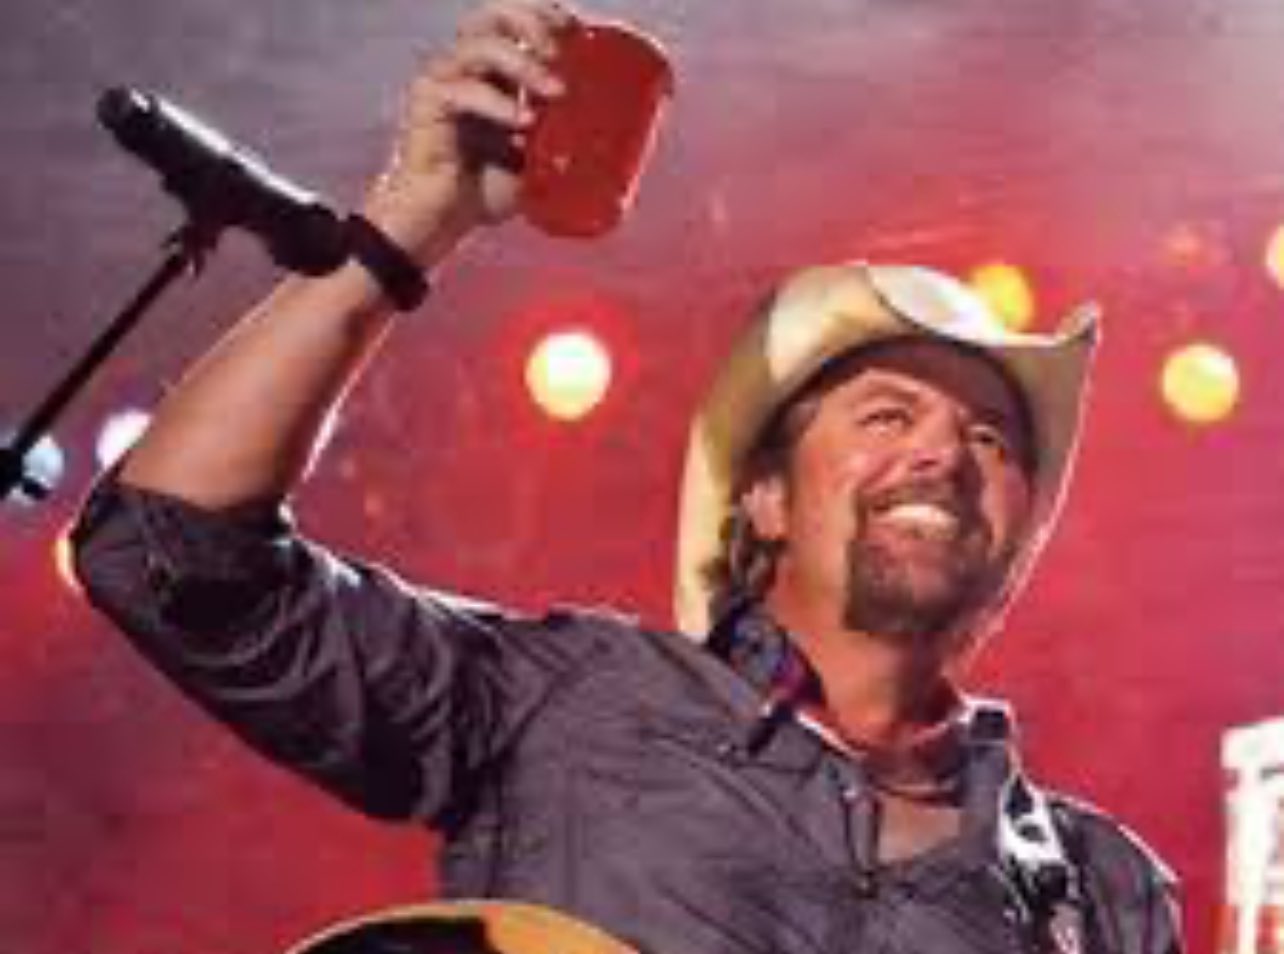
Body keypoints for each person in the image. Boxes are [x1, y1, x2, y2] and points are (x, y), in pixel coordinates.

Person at [70, 1, 1183, 952]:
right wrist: (411, 222)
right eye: (889, 414)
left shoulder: (1102, 889)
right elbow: (167, 548)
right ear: (766, 500)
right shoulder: (568, 698)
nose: (943, 451)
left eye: (989, 439)